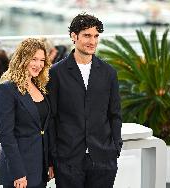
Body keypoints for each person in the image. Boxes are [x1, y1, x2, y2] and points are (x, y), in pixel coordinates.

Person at [48, 13, 122, 188]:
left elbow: (115, 114)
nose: (93, 41)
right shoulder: (56, 73)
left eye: (96, 36)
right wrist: (53, 156)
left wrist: (115, 148)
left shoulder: (108, 73)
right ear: (74, 36)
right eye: (87, 35)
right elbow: (52, 117)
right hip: (68, 160)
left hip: (103, 159)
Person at [0, 38, 54, 188]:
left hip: (40, 169)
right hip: (20, 172)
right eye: (34, 59)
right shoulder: (7, 89)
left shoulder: (40, 86)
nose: (38, 64)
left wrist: (50, 162)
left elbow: (45, 129)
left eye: (42, 60)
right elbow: (5, 134)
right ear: (22, 59)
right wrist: (18, 172)